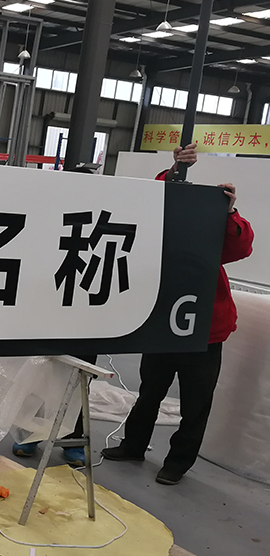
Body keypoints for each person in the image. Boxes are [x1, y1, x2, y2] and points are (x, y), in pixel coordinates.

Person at [11, 145, 201, 468]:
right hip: (50, 310)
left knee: (80, 379)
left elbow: (150, 208)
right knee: (42, 374)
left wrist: (174, 174)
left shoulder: (108, 217)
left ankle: (72, 438)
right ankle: (29, 434)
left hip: (88, 314)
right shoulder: (48, 215)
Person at [102, 150, 254, 485]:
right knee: (149, 391)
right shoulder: (162, 228)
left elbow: (241, 246)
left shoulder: (214, 232)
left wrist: (229, 211)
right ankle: (133, 445)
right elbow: (156, 195)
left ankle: (178, 462)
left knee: (195, 403)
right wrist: (177, 169)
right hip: (163, 324)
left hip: (205, 330)